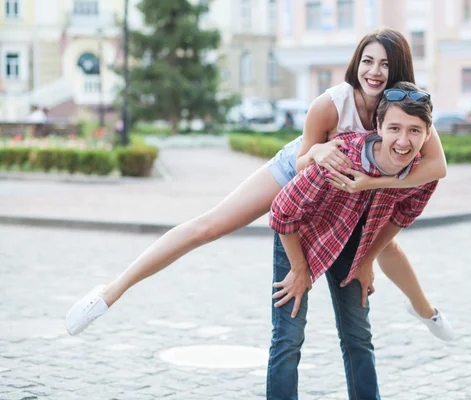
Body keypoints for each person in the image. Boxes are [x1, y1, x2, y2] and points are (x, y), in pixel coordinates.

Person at [65, 28, 451, 340]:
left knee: (387, 248)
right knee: (209, 226)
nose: (375, 71)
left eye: (385, 64)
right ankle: (111, 291)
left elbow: (436, 168)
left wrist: (372, 182)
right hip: (299, 168)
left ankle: (424, 310)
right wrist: (316, 153)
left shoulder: (408, 111)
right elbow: (301, 162)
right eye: (367, 60)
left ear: (398, 68)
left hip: (356, 184)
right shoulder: (331, 104)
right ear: (356, 63)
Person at [268, 82, 447, 400]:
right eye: (394, 128)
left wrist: (366, 260)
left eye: (415, 131)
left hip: (353, 240)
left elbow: (400, 218)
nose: (403, 141)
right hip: (299, 236)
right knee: (289, 336)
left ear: (427, 134)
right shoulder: (340, 158)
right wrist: (298, 269)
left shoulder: (421, 175)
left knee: (358, 336)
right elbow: (282, 213)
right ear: (378, 127)